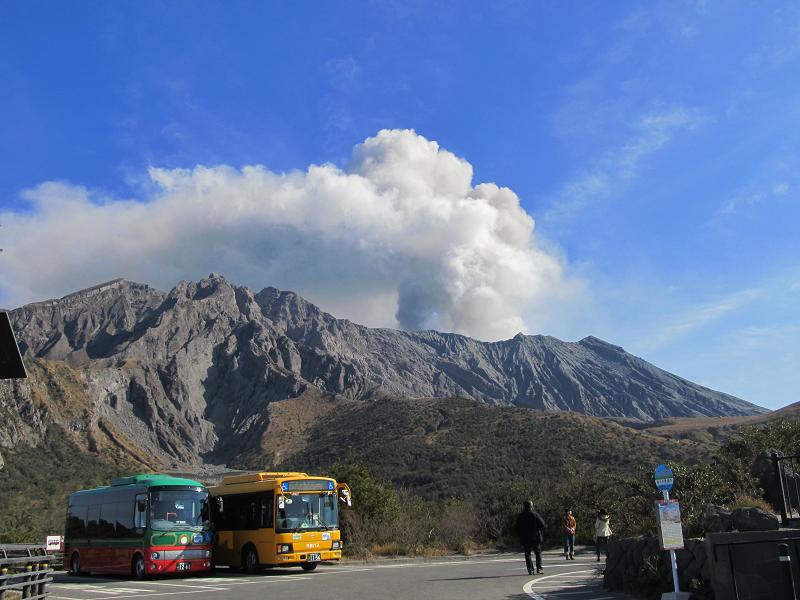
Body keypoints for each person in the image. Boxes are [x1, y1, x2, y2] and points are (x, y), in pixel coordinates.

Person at [516, 500, 546, 575]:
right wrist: (539, 531)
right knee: (538, 553)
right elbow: (542, 524)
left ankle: (530, 570)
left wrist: (520, 535)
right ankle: (539, 568)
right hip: (535, 537)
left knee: (527, 554)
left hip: (525, 538)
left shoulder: (520, 516)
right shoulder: (535, 515)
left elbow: (516, 527)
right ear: (531, 506)